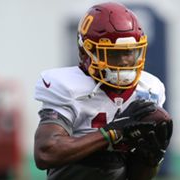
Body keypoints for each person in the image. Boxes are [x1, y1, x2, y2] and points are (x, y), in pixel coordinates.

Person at [33, 2, 172, 180]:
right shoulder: (67, 87)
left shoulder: (149, 89)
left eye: (128, 52)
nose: (123, 62)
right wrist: (112, 132)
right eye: (113, 54)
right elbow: (46, 153)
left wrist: (151, 157)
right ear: (85, 53)